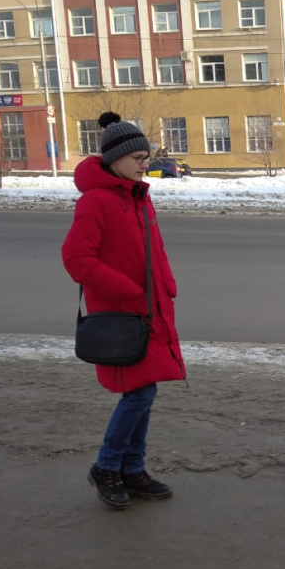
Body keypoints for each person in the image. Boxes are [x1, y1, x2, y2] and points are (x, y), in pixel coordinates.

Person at [62, 112, 185, 510]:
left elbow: (154, 251)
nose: (144, 164)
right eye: (137, 157)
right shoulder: (96, 201)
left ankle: (132, 469)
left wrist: (167, 286)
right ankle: (107, 466)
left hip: (149, 311)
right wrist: (130, 292)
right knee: (140, 392)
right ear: (115, 159)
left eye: (146, 157)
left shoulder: (139, 197)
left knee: (144, 391)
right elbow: (77, 259)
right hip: (123, 315)